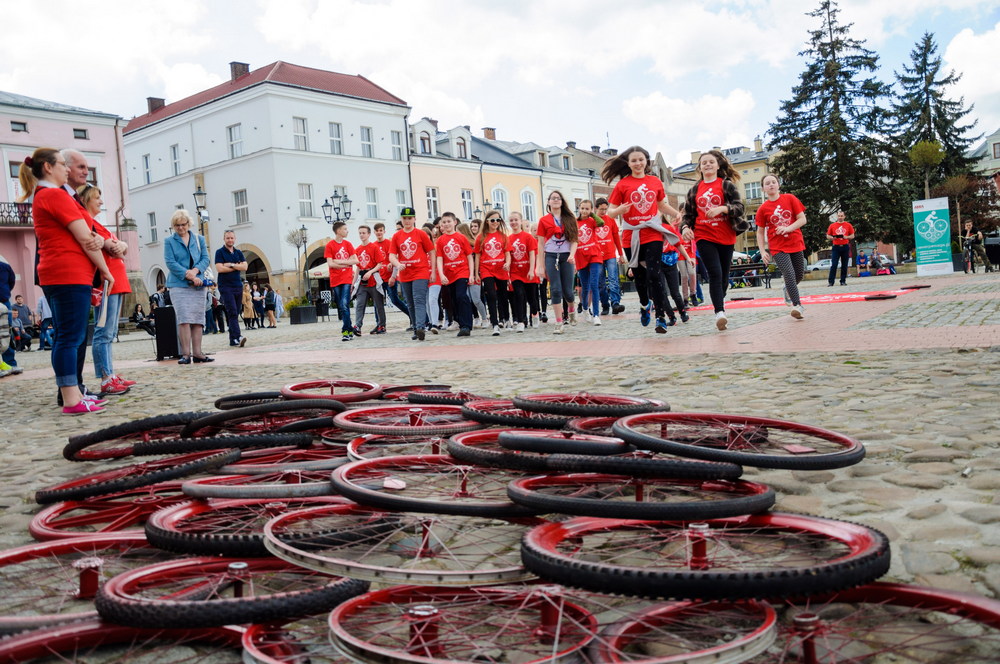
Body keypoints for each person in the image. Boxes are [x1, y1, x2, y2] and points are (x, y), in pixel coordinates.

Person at [19, 147, 114, 413]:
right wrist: (104, 269)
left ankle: (74, 393)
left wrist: (95, 239)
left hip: (66, 273)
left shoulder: (50, 196)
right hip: (67, 273)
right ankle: (71, 398)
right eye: (62, 164)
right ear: (48, 167)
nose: (67, 169)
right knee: (69, 337)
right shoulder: (52, 195)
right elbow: (84, 237)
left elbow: (87, 233)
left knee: (70, 336)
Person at [604, 146, 682, 334]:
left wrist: (676, 213)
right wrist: (619, 211)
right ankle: (644, 304)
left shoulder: (654, 181)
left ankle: (661, 318)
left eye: (641, 159)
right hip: (631, 235)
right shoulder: (622, 185)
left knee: (654, 275)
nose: (638, 163)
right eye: (634, 160)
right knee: (639, 276)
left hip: (652, 232)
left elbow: (661, 205)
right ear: (628, 164)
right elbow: (610, 211)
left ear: (646, 161)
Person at [680, 149, 746, 331]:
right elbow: (688, 215)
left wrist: (723, 209)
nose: (707, 165)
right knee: (715, 274)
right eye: (704, 163)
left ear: (718, 165)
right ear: (700, 168)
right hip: (704, 235)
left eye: (711, 162)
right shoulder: (695, 190)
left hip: (726, 236)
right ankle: (720, 312)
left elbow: (740, 208)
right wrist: (685, 228)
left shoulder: (726, 185)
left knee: (724, 277)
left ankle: (719, 298)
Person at [78, 183, 134, 394]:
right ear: (86, 200)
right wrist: (115, 246)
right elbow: (112, 248)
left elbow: (120, 247)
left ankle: (110, 372)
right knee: (103, 332)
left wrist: (121, 246)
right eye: (96, 198)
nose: (101, 201)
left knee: (110, 332)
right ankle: (105, 377)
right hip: (106, 282)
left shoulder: (97, 223)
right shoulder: (87, 223)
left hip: (116, 281)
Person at [163, 209, 214, 364]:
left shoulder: (199, 239)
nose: (180, 228)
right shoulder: (169, 241)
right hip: (178, 285)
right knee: (184, 318)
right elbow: (170, 262)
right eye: (177, 225)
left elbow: (206, 258)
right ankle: (186, 354)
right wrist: (187, 274)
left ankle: (198, 353)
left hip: (198, 284)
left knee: (198, 319)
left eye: (183, 224)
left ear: (188, 223)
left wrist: (196, 271)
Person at [755, 174, 808, 320]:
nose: (771, 185)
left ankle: (788, 289)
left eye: (773, 182)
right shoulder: (763, 209)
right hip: (778, 247)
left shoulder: (790, 198)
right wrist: (762, 250)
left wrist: (788, 228)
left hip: (795, 242)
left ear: (778, 185)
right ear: (763, 189)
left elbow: (802, 219)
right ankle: (797, 306)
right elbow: (760, 232)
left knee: (799, 275)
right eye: (767, 183)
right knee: (789, 274)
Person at [535, 190, 579, 333]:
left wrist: (572, 255)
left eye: (558, 198)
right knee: (555, 289)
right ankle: (559, 322)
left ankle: (571, 309)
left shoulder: (569, 218)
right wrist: (540, 265)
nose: (555, 200)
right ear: (548, 202)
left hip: (566, 256)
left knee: (568, 292)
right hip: (551, 256)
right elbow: (540, 244)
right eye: (552, 198)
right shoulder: (543, 220)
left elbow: (574, 240)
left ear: (561, 202)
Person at [389, 207, 435, 341]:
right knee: (409, 302)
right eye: (404, 218)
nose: (407, 221)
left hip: (420, 271)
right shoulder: (397, 236)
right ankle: (416, 328)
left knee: (418, 299)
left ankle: (421, 327)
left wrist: (433, 271)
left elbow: (431, 251)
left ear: (414, 219)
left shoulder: (420, 234)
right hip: (404, 273)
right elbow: (392, 255)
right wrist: (398, 264)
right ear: (401, 220)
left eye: (410, 218)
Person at [436, 212, 475, 337]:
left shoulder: (461, 237)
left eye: (449, 221)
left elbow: (469, 256)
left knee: (461, 296)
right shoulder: (441, 240)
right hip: (448, 274)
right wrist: (441, 274)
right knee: (452, 300)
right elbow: (440, 258)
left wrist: (471, 274)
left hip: (462, 272)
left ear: (455, 222)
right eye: (444, 222)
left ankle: (466, 325)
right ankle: (458, 320)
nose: (446, 224)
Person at [474, 211, 510, 336]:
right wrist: (476, 273)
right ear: (487, 221)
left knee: (503, 296)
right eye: (493, 220)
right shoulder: (481, 237)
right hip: (486, 268)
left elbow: (507, 253)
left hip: (501, 268)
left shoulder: (503, 236)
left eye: (498, 220)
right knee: (491, 295)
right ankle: (494, 324)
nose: (495, 222)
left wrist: (508, 263)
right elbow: (477, 256)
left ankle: (505, 319)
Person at [325, 221, 358, 341]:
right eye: (345, 229)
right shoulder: (330, 245)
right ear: (338, 231)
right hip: (335, 279)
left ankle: (345, 330)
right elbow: (330, 263)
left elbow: (356, 261)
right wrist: (345, 263)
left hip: (346, 278)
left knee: (344, 304)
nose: (347, 231)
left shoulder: (348, 244)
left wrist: (339, 262)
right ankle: (349, 329)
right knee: (342, 306)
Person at [214, 229, 248, 347]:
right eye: (228, 238)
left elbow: (245, 267)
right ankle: (238, 336)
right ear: (224, 239)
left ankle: (232, 339)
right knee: (232, 311)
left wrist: (232, 265)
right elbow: (220, 269)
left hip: (237, 285)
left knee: (235, 312)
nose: (230, 240)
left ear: (235, 239)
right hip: (225, 286)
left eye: (232, 238)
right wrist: (237, 266)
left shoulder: (238, 252)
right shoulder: (219, 252)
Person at [574, 201, 605, 326]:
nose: (585, 211)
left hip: (594, 255)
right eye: (582, 208)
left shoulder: (593, 220)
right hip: (580, 256)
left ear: (591, 209)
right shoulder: (575, 222)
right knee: (585, 287)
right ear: (579, 209)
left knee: (594, 285)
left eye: (587, 208)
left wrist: (592, 214)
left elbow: (601, 223)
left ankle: (596, 315)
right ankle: (586, 308)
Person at [352, 225, 386, 335]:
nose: (362, 235)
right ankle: (358, 326)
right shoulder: (357, 250)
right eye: (360, 233)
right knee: (360, 304)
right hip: (362, 281)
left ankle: (382, 325)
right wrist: (353, 282)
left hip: (374, 279)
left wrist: (370, 272)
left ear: (369, 234)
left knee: (378, 304)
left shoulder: (374, 247)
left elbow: (380, 264)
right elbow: (357, 267)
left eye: (363, 233)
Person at [506, 211, 538, 332]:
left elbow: (532, 254)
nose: (513, 222)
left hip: (528, 271)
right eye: (511, 220)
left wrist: (531, 270)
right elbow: (508, 256)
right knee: (519, 295)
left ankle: (534, 314)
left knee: (531, 298)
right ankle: (521, 321)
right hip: (515, 272)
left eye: (516, 220)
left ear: (520, 221)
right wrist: (508, 274)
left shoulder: (528, 237)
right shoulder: (508, 239)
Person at [594, 198, 625, 315]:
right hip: (597, 257)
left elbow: (617, 238)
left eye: (605, 209)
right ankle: (605, 305)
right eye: (601, 209)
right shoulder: (592, 221)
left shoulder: (610, 220)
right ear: (596, 208)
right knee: (600, 282)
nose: (603, 212)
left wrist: (621, 254)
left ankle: (615, 303)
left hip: (610, 254)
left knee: (613, 279)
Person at [374, 222, 409, 324]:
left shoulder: (389, 243)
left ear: (384, 231)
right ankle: (380, 324)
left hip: (389, 277)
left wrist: (392, 272)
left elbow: (395, 258)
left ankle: (411, 316)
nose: (379, 232)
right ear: (374, 232)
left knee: (394, 300)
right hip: (378, 279)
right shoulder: (373, 245)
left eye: (381, 230)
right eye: (377, 231)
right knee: (378, 303)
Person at [825, 211, 855, 286]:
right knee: (834, 264)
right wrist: (832, 238)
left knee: (844, 265)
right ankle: (831, 282)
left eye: (841, 216)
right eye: (839, 216)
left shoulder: (848, 225)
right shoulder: (832, 225)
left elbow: (852, 235)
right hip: (836, 247)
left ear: (844, 216)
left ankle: (843, 281)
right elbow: (828, 236)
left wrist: (847, 237)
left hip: (845, 246)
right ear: (837, 216)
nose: (840, 217)